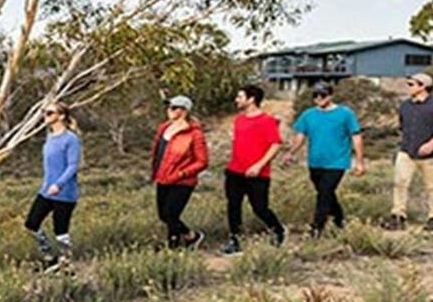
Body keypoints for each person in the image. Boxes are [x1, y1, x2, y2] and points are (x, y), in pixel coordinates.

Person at [283, 81, 365, 236]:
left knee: (324, 193)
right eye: (315, 95)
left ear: (331, 96)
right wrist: (291, 152)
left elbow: (356, 137)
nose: (319, 98)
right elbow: (301, 136)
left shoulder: (345, 113)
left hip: (337, 162)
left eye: (323, 95)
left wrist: (359, 162)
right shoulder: (308, 115)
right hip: (315, 161)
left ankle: (316, 228)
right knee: (326, 193)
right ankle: (340, 220)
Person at [221, 84, 286, 255]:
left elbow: (276, 144)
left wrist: (259, 165)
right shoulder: (239, 120)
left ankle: (278, 230)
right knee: (233, 206)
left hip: (258, 174)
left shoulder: (267, 121)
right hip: (234, 171)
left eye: (240, 97)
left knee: (260, 208)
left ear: (251, 99)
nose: (236, 100)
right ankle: (235, 241)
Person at [25, 102, 82, 271]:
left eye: (49, 113)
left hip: (65, 193)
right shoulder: (49, 137)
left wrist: (59, 184)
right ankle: (50, 257)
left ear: (61, 116)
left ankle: (66, 264)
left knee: (61, 230)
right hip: (46, 191)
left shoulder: (71, 139)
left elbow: (72, 166)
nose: (45, 116)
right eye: (44, 112)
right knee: (32, 223)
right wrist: (48, 185)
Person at [150, 95, 209, 249]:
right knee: (163, 215)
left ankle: (173, 247)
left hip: (182, 181)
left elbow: (202, 161)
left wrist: (182, 173)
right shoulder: (164, 127)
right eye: (169, 107)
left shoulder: (195, 134)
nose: (168, 110)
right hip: (163, 177)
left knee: (171, 214)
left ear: (183, 111)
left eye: (173, 107)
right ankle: (191, 236)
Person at [383, 72, 433, 231]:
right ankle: (398, 216)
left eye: (411, 84)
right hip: (406, 151)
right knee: (399, 183)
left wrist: (431, 144)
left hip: (430, 155)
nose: (408, 87)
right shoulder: (405, 106)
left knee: (432, 187)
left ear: (423, 86)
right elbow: (402, 126)